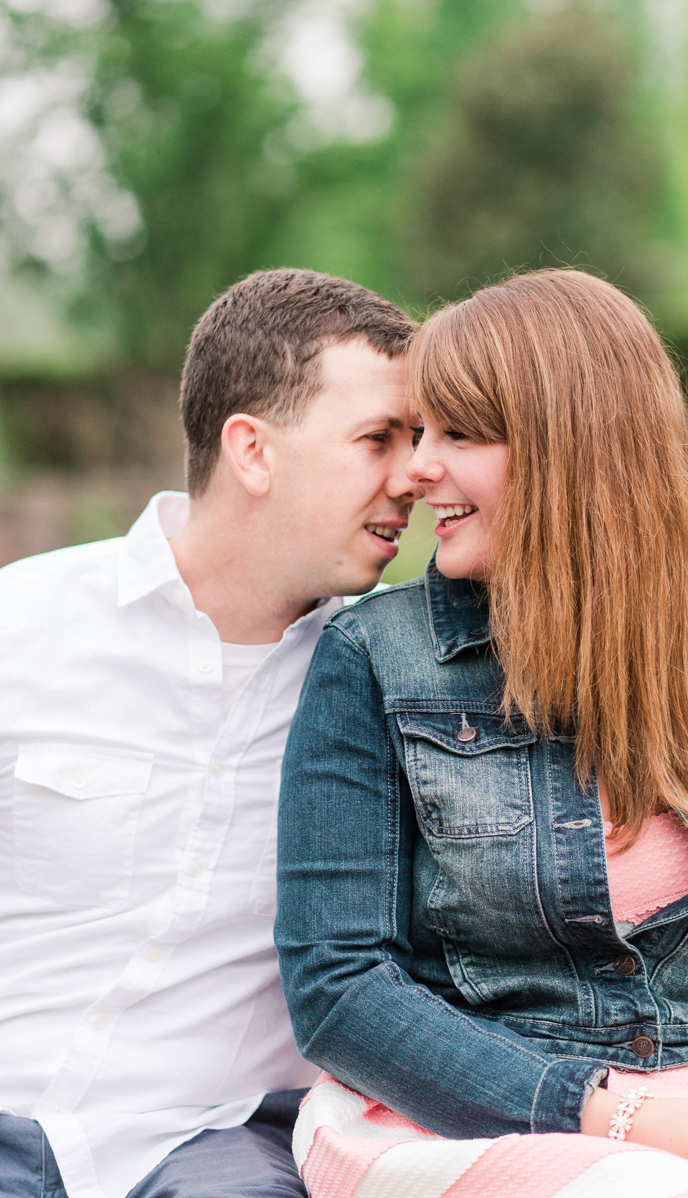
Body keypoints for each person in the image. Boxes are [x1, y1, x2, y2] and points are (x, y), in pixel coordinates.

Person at [276, 269, 688, 1196]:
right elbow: (342, 987)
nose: (415, 470)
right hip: (452, 1119)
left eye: (457, 434)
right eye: (412, 432)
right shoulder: (375, 658)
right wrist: (621, 1116)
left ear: (575, 451)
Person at [0, 268, 421, 1198]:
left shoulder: (404, 682)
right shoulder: (19, 627)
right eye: (376, 440)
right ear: (253, 451)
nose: (414, 478)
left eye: (419, 441)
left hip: (215, 1144)